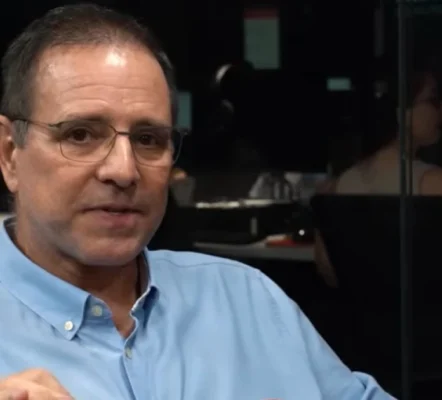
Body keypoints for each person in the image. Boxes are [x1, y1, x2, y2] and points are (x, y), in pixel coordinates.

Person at [0, 5, 392, 399]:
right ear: (9, 153)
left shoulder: (247, 302)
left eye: (148, 139)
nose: (124, 170)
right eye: (80, 135)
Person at [314, 49, 442, 301]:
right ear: (401, 113)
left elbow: (330, 273)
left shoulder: (335, 188)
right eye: (433, 100)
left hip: (369, 325)